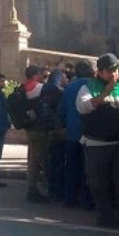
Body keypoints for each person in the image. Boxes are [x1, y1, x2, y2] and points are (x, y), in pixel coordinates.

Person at [76, 53, 119, 230]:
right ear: (100, 71)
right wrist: (107, 90)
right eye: (111, 70)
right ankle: (105, 214)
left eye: (117, 70)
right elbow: (84, 107)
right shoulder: (88, 87)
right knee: (98, 181)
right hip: (97, 144)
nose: (115, 74)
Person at [59, 60, 95, 209]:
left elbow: (62, 110)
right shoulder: (95, 86)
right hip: (91, 134)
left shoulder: (70, 87)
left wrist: (63, 126)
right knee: (89, 169)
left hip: (72, 133)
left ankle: (70, 198)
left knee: (72, 167)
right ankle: (87, 200)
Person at [22, 65, 50, 203]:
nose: (42, 76)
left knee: (33, 159)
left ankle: (33, 189)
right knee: (36, 160)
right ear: (34, 75)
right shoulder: (36, 87)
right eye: (40, 74)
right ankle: (32, 191)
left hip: (30, 128)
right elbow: (55, 90)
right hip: (38, 129)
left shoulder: (24, 86)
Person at [43, 69, 68, 202]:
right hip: (57, 131)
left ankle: (51, 189)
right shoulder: (58, 92)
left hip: (46, 129)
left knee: (51, 161)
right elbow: (60, 113)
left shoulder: (44, 88)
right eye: (64, 77)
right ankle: (57, 191)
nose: (66, 79)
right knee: (58, 162)